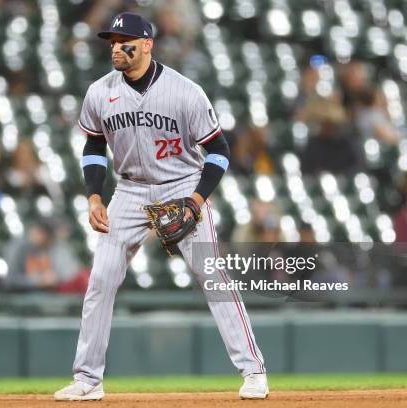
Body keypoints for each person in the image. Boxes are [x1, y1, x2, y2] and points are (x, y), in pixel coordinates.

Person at [54, 13, 267, 401]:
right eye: (113, 41)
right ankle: (87, 380)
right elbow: (93, 146)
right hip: (130, 191)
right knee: (100, 279)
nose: (116, 47)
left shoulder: (185, 92)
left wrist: (196, 200)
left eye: (125, 40)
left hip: (182, 183)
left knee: (212, 277)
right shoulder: (100, 92)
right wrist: (94, 195)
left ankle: (253, 371)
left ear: (148, 44)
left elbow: (218, 151)